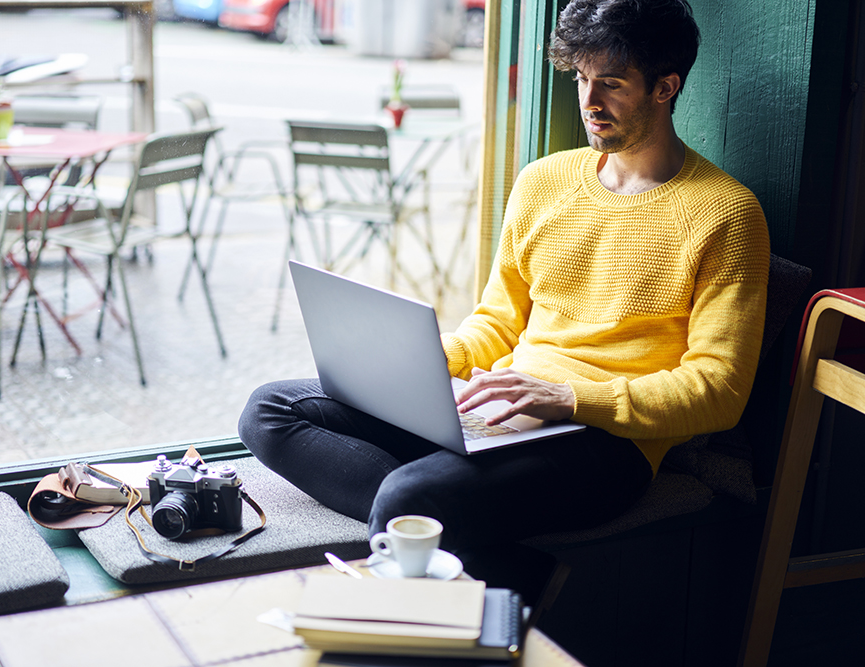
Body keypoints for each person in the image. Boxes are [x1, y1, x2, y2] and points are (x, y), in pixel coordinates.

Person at [238, 0, 770, 596]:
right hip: (500, 410)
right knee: (269, 410)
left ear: (665, 88)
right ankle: (485, 547)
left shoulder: (727, 213)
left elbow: (719, 391)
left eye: (612, 84)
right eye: (580, 79)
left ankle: (453, 537)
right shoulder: (544, 181)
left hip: (606, 446)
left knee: (409, 495)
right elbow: (495, 322)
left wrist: (569, 397)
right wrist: (429, 363)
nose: (590, 102)